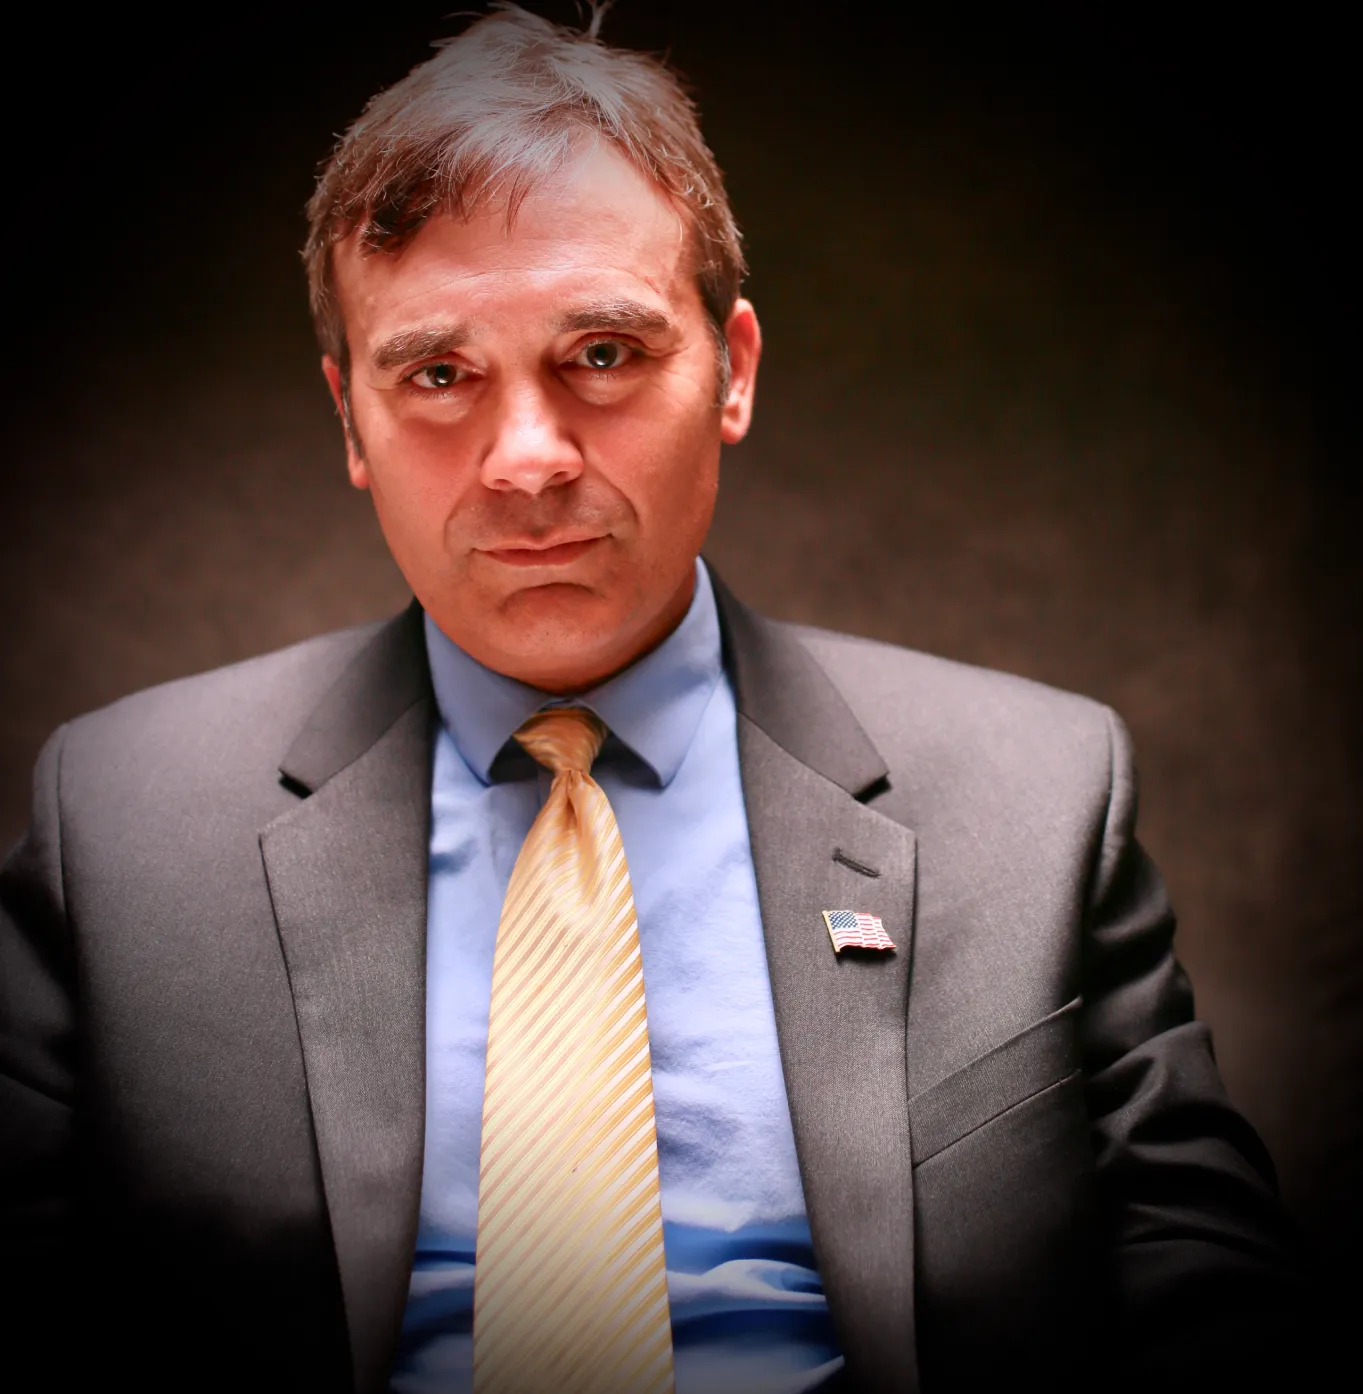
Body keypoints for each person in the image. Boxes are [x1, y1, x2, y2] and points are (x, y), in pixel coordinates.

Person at [0, 7, 1301, 1393]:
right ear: (348, 420)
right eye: (437, 374)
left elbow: (1203, 1286)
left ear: (733, 371)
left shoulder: (1037, 797)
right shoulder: (124, 819)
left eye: (604, 354)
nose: (526, 458)